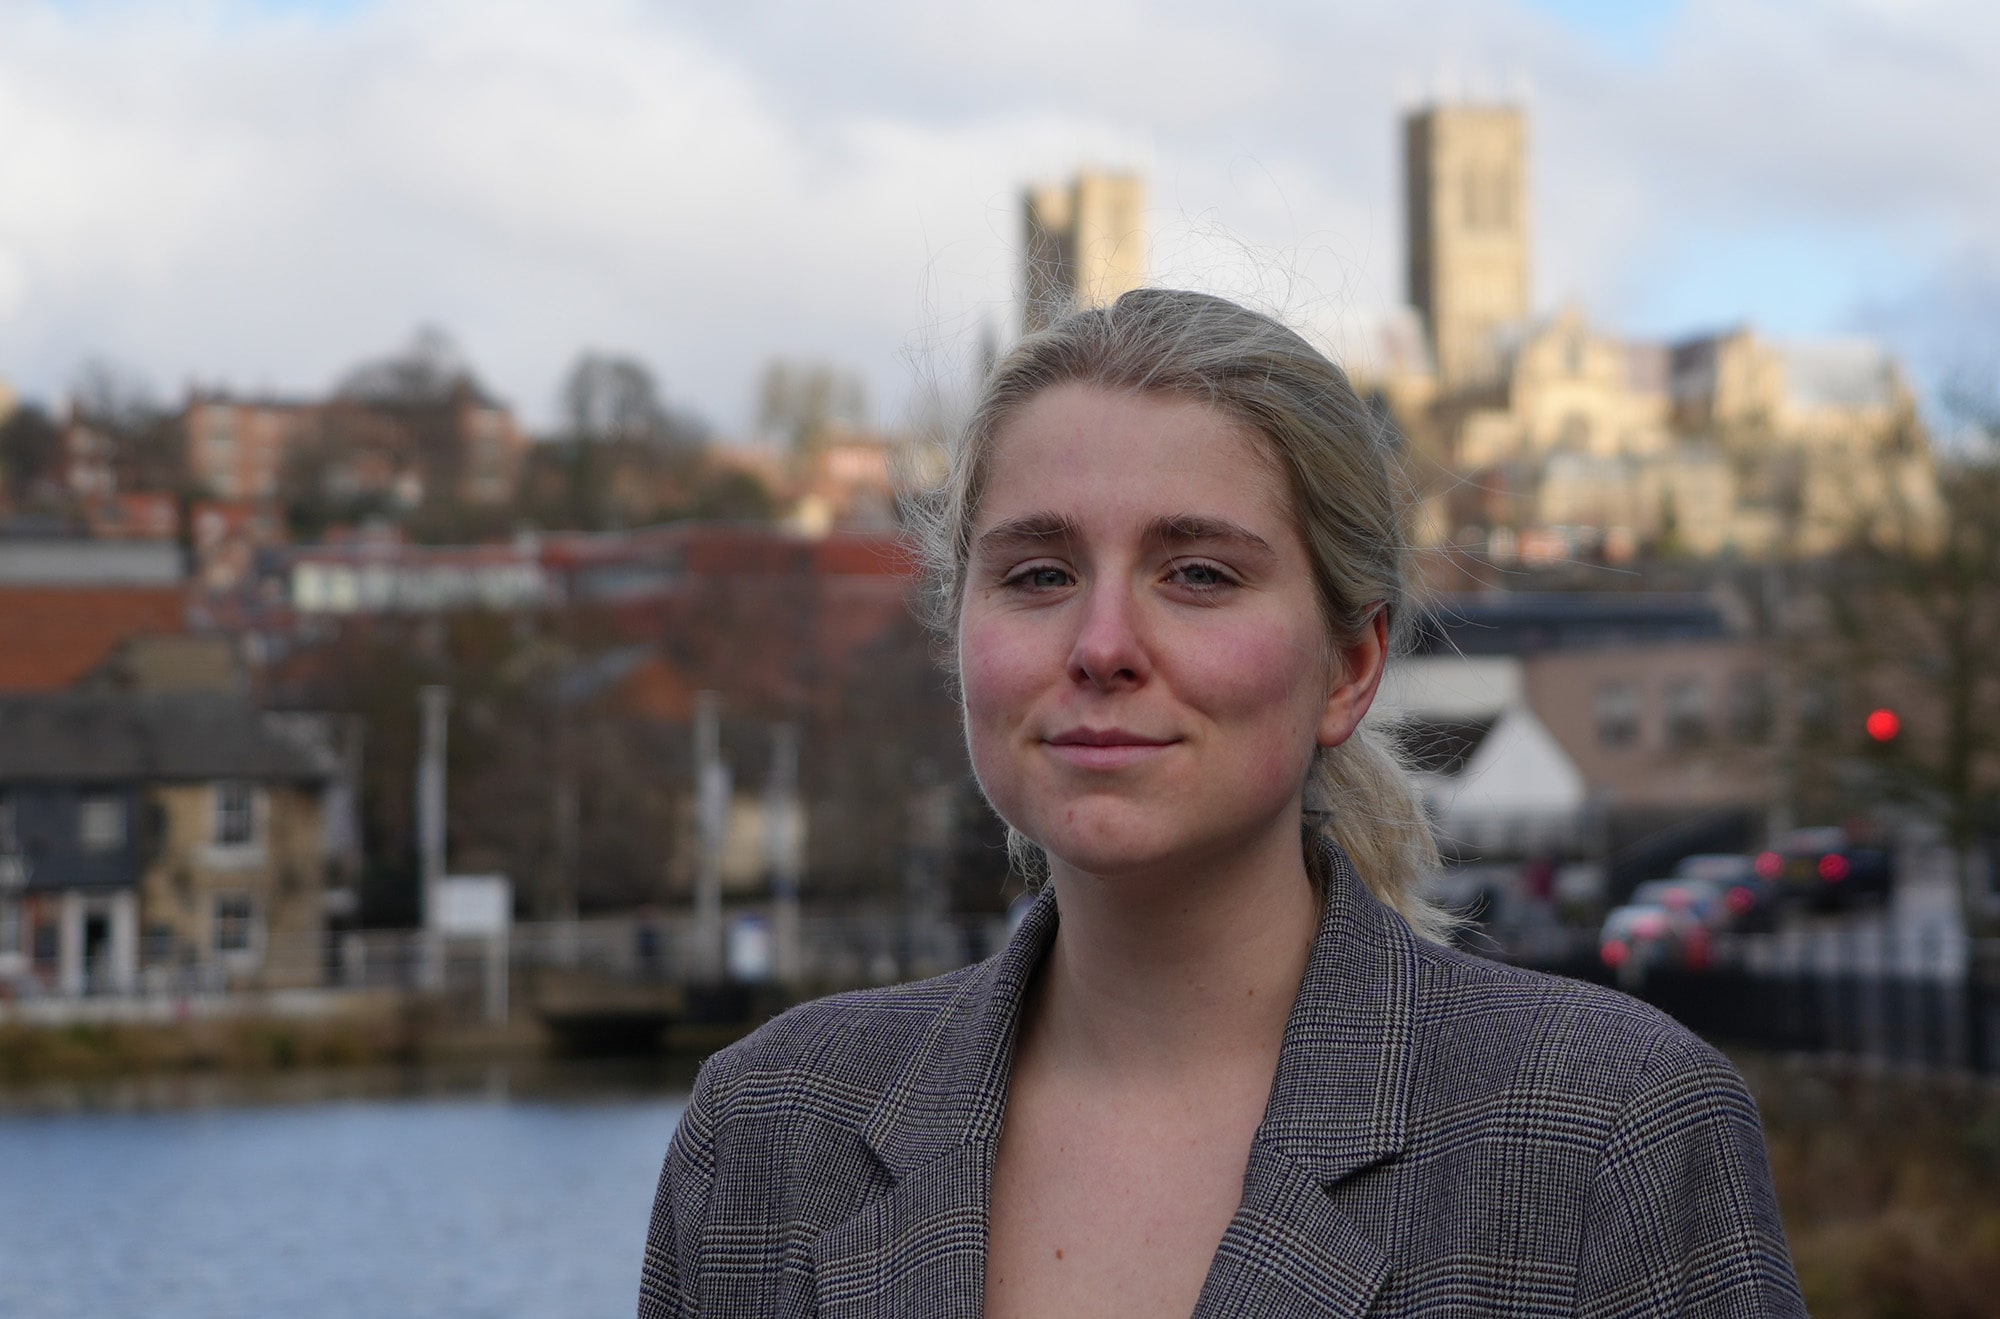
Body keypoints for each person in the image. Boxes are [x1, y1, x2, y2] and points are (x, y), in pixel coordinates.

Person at [638, 289, 1803, 1317]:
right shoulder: (764, 1135)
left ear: (1348, 666)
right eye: (1037, 573)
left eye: (1196, 573)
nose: (1100, 645)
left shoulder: (1607, 1134)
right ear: (961, 638)